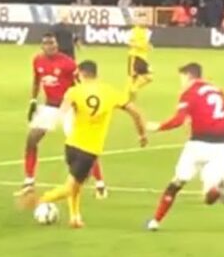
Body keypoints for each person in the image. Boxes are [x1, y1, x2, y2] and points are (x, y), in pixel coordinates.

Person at [23, 61, 147, 228]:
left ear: (80, 74)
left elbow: (62, 112)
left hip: (72, 144)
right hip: (89, 149)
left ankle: (75, 217)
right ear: (96, 74)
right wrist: (142, 134)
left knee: (75, 183)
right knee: (71, 186)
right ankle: (41, 200)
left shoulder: (74, 91)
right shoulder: (110, 92)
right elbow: (135, 112)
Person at [145, 63, 224, 231]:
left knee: (176, 183)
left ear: (188, 76)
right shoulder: (217, 90)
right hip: (222, 146)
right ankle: (216, 188)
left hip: (198, 144)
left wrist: (158, 127)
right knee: (208, 196)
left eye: (181, 78)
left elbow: (178, 120)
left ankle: (155, 222)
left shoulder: (189, 93)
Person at [126, 21, 153, 99]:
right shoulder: (133, 31)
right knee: (132, 77)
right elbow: (129, 43)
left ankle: (133, 89)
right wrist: (139, 45)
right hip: (135, 56)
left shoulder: (147, 32)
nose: (143, 21)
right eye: (141, 19)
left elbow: (145, 44)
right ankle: (129, 97)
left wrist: (149, 46)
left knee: (149, 77)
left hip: (143, 58)